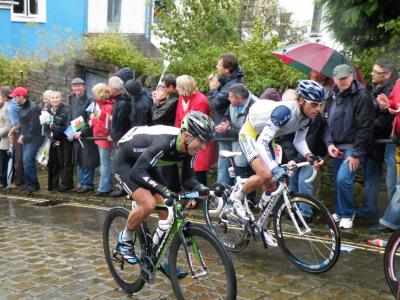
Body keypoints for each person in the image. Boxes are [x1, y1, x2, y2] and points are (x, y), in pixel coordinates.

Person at [226, 80, 326, 247]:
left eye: (320, 105)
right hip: (251, 134)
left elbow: (299, 140)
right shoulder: (285, 112)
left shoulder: (308, 117)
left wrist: (309, 156)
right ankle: (237, 197)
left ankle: (262, 226)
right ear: (301, 100)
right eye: (314, 104)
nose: (317, 108)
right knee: (266, 175)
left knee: (273, 185)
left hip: (266, 138)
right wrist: (274, 168)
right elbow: (261, 143)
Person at [113, 111, 214, 267]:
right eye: (201, 141)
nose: (203, 147)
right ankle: (124, 239)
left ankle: (157, 257)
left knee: (167, 213)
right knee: (148, 204)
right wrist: (163, 190)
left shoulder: (189, 148)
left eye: (206, 142)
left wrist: (206, 190)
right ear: (187, 136)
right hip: (127, 164)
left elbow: (187, 180)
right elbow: (136, 173)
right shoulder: (164, 143)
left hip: (146, 164)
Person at [324, 64, 373, 229]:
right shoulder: (332, 93)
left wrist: (356, 153)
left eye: (346, 78)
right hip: (337, 145)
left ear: (352, 77)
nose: (343, 81)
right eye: (340, 78)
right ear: (334, 79)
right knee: (337, 180)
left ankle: (347, 213)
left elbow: (365, 126)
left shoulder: (361, 95)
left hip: (353, 146)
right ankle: (339, 211)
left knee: (343, 179)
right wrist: (329, 143)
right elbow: (327, 122)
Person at [358, 59, 398, 219]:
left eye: (376, 72)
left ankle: (382, 216)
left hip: (384, 141)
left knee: (389, 183)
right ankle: (372, 210)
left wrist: (365, 125)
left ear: (387, 74)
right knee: (374, 178)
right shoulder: (377, 89)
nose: (372, 74)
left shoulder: (390, 90)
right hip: (376, 140)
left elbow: (385, 119)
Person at [174, 75, 217, 204]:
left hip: (200, 139)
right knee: (190, 169)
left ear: (185, 88)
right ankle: (193, 196)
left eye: (178, 86)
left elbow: (199, 125)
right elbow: (178, 118)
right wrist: (177, 134)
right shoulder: (181, 98)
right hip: (186, 138)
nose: (176, 88)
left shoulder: (201, 100)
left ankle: (198, 197)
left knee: (198, 168)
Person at [208, 53, 244, 185]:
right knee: (229, 165)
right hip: (227, 130)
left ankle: (221, 196)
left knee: (225, 165)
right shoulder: (229, 82)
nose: (217, 66)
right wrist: (218, 85)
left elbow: (216, 103)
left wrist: (213, 89)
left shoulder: (234, 85)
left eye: (219, 64)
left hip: (228, 131)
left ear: (227, 69)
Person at [370, 78, 400, 232]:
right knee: (392, 184)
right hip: (397, 141)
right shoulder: (399, 83)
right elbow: (394, 105)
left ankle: (389, 222)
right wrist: (387, 105)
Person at [215, 83, 256, 186]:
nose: (228, 99)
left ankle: (247, 200)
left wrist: (228, 128)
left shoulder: (254, 108)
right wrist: (225, 123)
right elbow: (227, 116)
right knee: (236, 176)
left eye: (231, 97)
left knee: (245, 180)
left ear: (239, 98)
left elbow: (247, 133)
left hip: (249, 149)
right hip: (235, 146)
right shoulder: (233, 104)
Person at [69, 77, 99, 193]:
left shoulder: (91, 101)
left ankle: (88, 184)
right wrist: (71, 131)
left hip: (87, 135)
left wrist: (82, 131)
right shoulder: (72, 100)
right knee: (79, 160)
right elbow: (70, 117)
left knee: (87, 160)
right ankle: (80, 183)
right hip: (75, 134)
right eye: (75, 86)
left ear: (84, 87)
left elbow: (91, 118)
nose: (77, 88)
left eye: (79, 85)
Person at [12, 87, 43, 195]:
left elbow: (35, 127)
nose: (14, 99)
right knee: (27, 161)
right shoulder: (21, 107)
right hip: (27, 137)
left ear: (21, 96)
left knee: (27, 160)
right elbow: (24, 124)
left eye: (15, 96)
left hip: (34, 137)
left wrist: (24, 137)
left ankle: (32, 185)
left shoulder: (33, 108)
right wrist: (21, 135)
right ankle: (32, 183)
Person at [152, 74, 180, 192]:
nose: (162, 89)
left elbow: (156, 117)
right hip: (165, 133)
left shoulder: (173, 100)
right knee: (165, 164)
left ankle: (171, 188)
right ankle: (169, 186)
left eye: (164, 87)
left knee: (168, 164)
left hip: (168, 134)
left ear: (171, 87)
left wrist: (156, 102)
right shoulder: (170, 99)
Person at [89, 83, 115, 196]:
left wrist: (94, 120)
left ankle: (104, 188)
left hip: (104, 138)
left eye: (95, 93)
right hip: (98, 137)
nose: (93, 95)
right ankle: (106, 186)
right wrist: (91, 121)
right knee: (104, 163)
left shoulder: (108, 107)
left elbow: (106, 127)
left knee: (104, 164)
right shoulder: (97, 105)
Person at [108, 75, 131, 197]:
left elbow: (120, 122)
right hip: (119, 138)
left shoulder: (122, 103)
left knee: (120, 164)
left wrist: (113, 135)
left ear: (115, 89)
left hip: (121, 139)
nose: (108, 89)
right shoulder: (120, 101)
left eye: (109, 86)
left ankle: (123, 188)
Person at [46, 91, 73, 192]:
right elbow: (45, 129)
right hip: (53, 141)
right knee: (53, 163)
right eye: (53, 98)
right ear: (50, 100)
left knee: (65, 162)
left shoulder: (66, 110)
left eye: (57, 97)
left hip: (65, 140)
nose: (55, 99)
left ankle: (67, 184)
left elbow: (68, 127)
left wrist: (54, 127)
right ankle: (54, 184)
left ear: (61, 98)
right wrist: (53, 140)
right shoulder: (47, 112)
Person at [7, 88, 24, 188]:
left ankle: (18, 181)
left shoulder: (11, 106)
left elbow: (17, 124)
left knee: (18, 158)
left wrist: (10, 132)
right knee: (17, 158)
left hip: (19, 134)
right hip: (19, 133)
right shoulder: (13, 104)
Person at [0, 87, 12, 187]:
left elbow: (9, 125)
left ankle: (3, 181)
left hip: (4, 139)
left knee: (3, 160)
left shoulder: (7, 108)